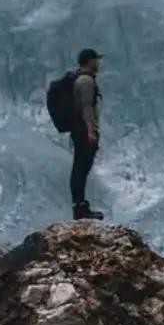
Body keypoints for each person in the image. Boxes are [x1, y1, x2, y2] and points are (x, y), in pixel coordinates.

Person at [71, 48, 104, 220]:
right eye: (96, 60)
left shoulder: (81, 79)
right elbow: (86, 106)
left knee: (80, 169)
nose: (98, 63)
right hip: (83, 130)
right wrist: (91, 130)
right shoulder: (86, 81)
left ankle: (80, 206)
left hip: (79, 130)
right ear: (90, 61)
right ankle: (80, 208)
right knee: (81, 169)